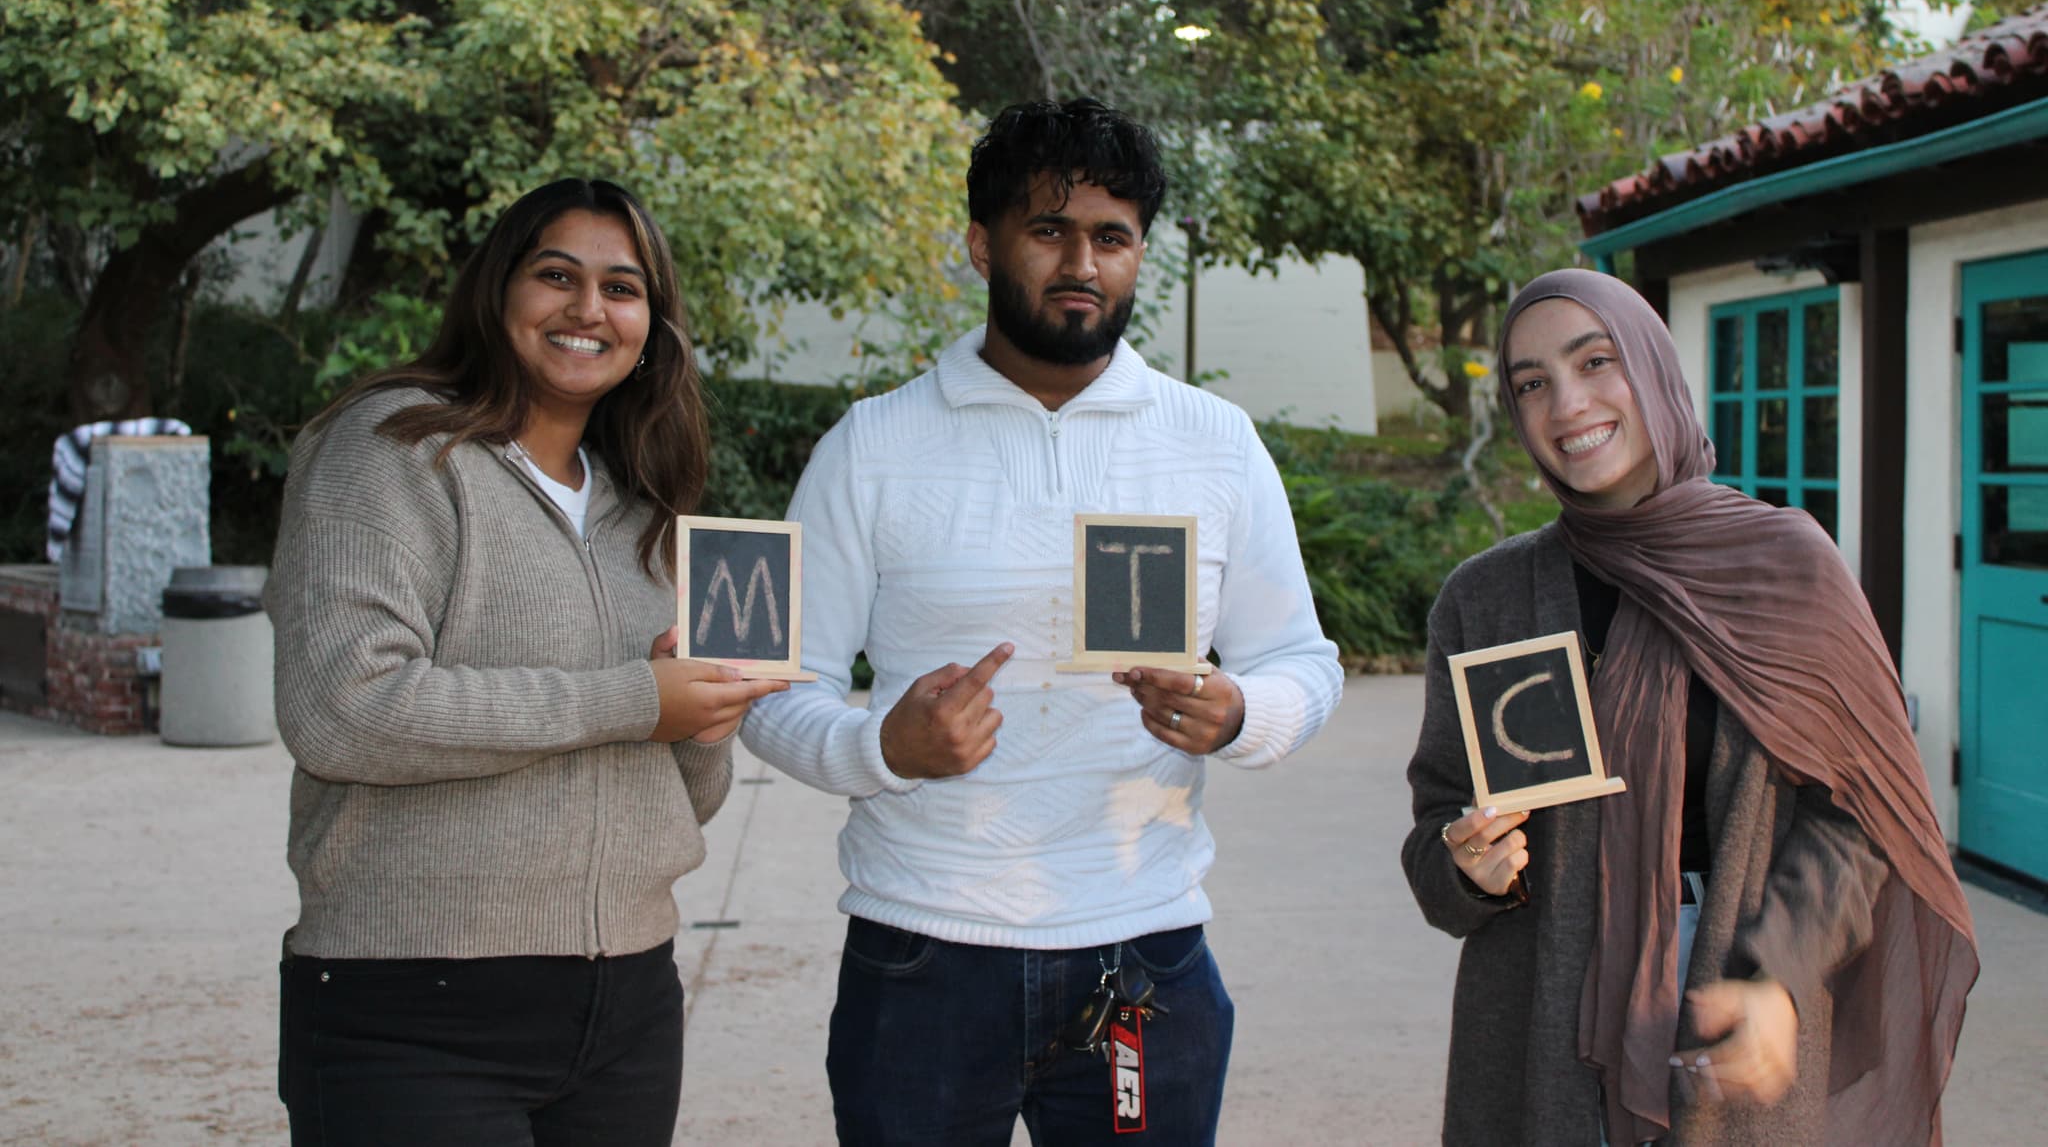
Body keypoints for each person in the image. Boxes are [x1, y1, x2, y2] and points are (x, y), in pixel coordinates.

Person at [738, 97, 1344, 1145]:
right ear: (982, 245)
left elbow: (1302, 660)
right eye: (1047, 230)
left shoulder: (1215, 443)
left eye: (1110, 237)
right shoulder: (870, 446)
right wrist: (882, 744)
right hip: (920, 953)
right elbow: (774, 687)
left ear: (1139, 254)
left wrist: (1238, 711)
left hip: (1144, 952)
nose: (1081, 262)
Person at [1401, 268, 1978, 1146]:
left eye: (1597, 361)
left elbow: (1861, 815)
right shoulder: (1486, 600)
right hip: (1541, 1010)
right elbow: (1437, 826)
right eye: (1532, 382)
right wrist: (1465, 863)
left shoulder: (1784, 567)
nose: (1568, 403)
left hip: (1733, 984)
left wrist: (1779, 968)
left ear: (1654, 368)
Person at [267, 178, 788, 1146]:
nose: (589, 310)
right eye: (558, 276)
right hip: (413, 1010)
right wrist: (635, 699)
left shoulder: (647, 509)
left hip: (627, 1005)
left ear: (652, 324)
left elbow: (678, 795)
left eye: (622, 288)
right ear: (498, 290)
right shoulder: (388, 451)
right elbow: (341, 707)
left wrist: (702, 726)